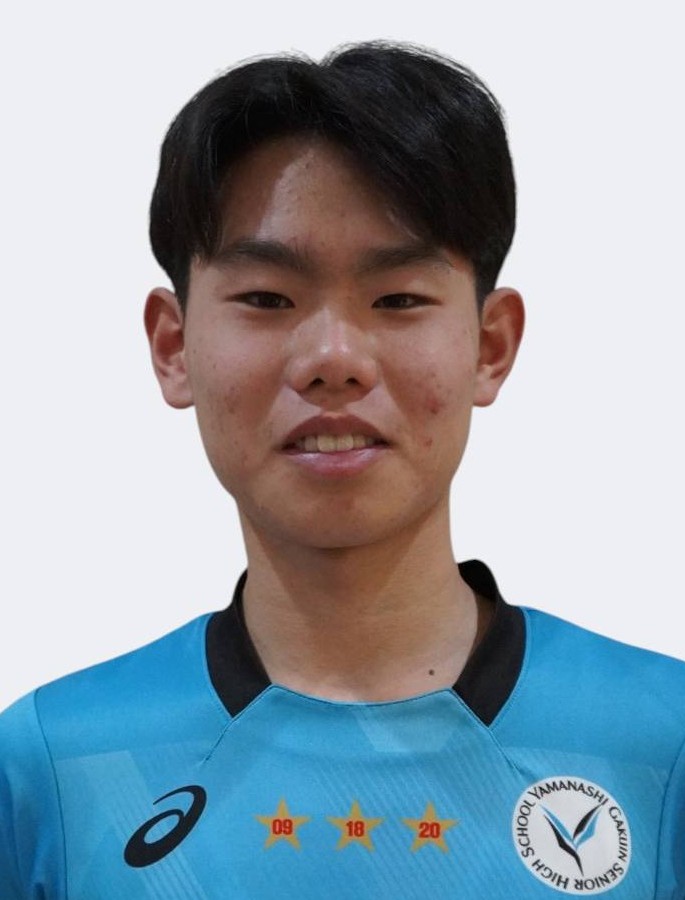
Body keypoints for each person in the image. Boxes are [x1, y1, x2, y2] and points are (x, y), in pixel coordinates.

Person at [0, 40, 683, 900]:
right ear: (173, 347)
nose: (333, 360)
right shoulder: (56, 765)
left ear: (490, 345)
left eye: (397, 299)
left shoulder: (660, 744)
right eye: (266, 299)